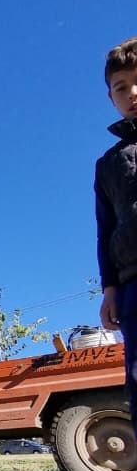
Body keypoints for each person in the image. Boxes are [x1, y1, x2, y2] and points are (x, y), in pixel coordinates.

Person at [96, 36, 137, 435]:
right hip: (131, 284)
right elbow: (104, 230)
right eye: (122, 87)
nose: (132, 93)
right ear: (111, 98)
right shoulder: (108, 164)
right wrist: (110, 290)